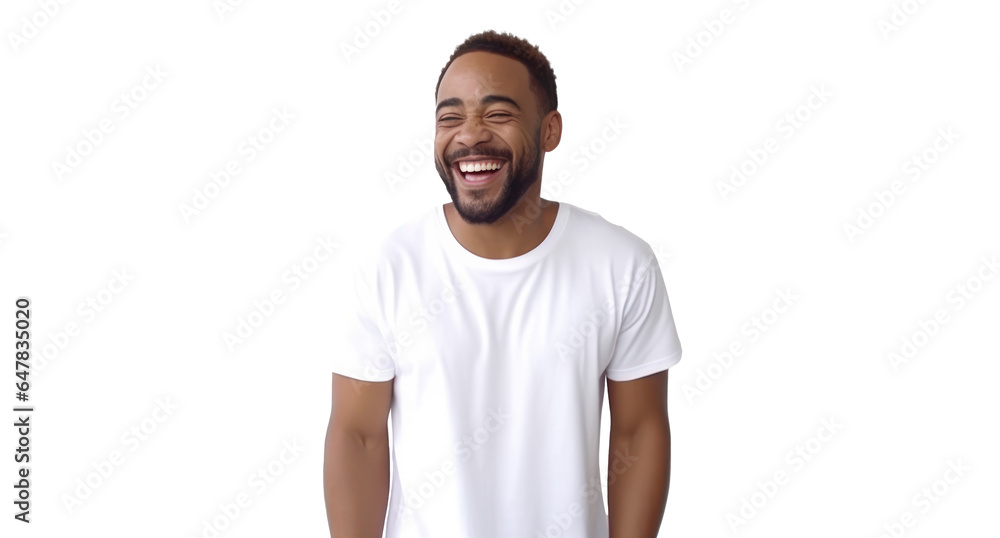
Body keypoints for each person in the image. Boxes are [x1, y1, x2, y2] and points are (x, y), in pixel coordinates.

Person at [325, 29, 683, 538]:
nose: (469, 135)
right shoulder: (389, 268)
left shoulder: (621, 264)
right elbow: (357, 436)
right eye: (450, 117)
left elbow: (638, 431)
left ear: (549, 131)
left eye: (498, 114)